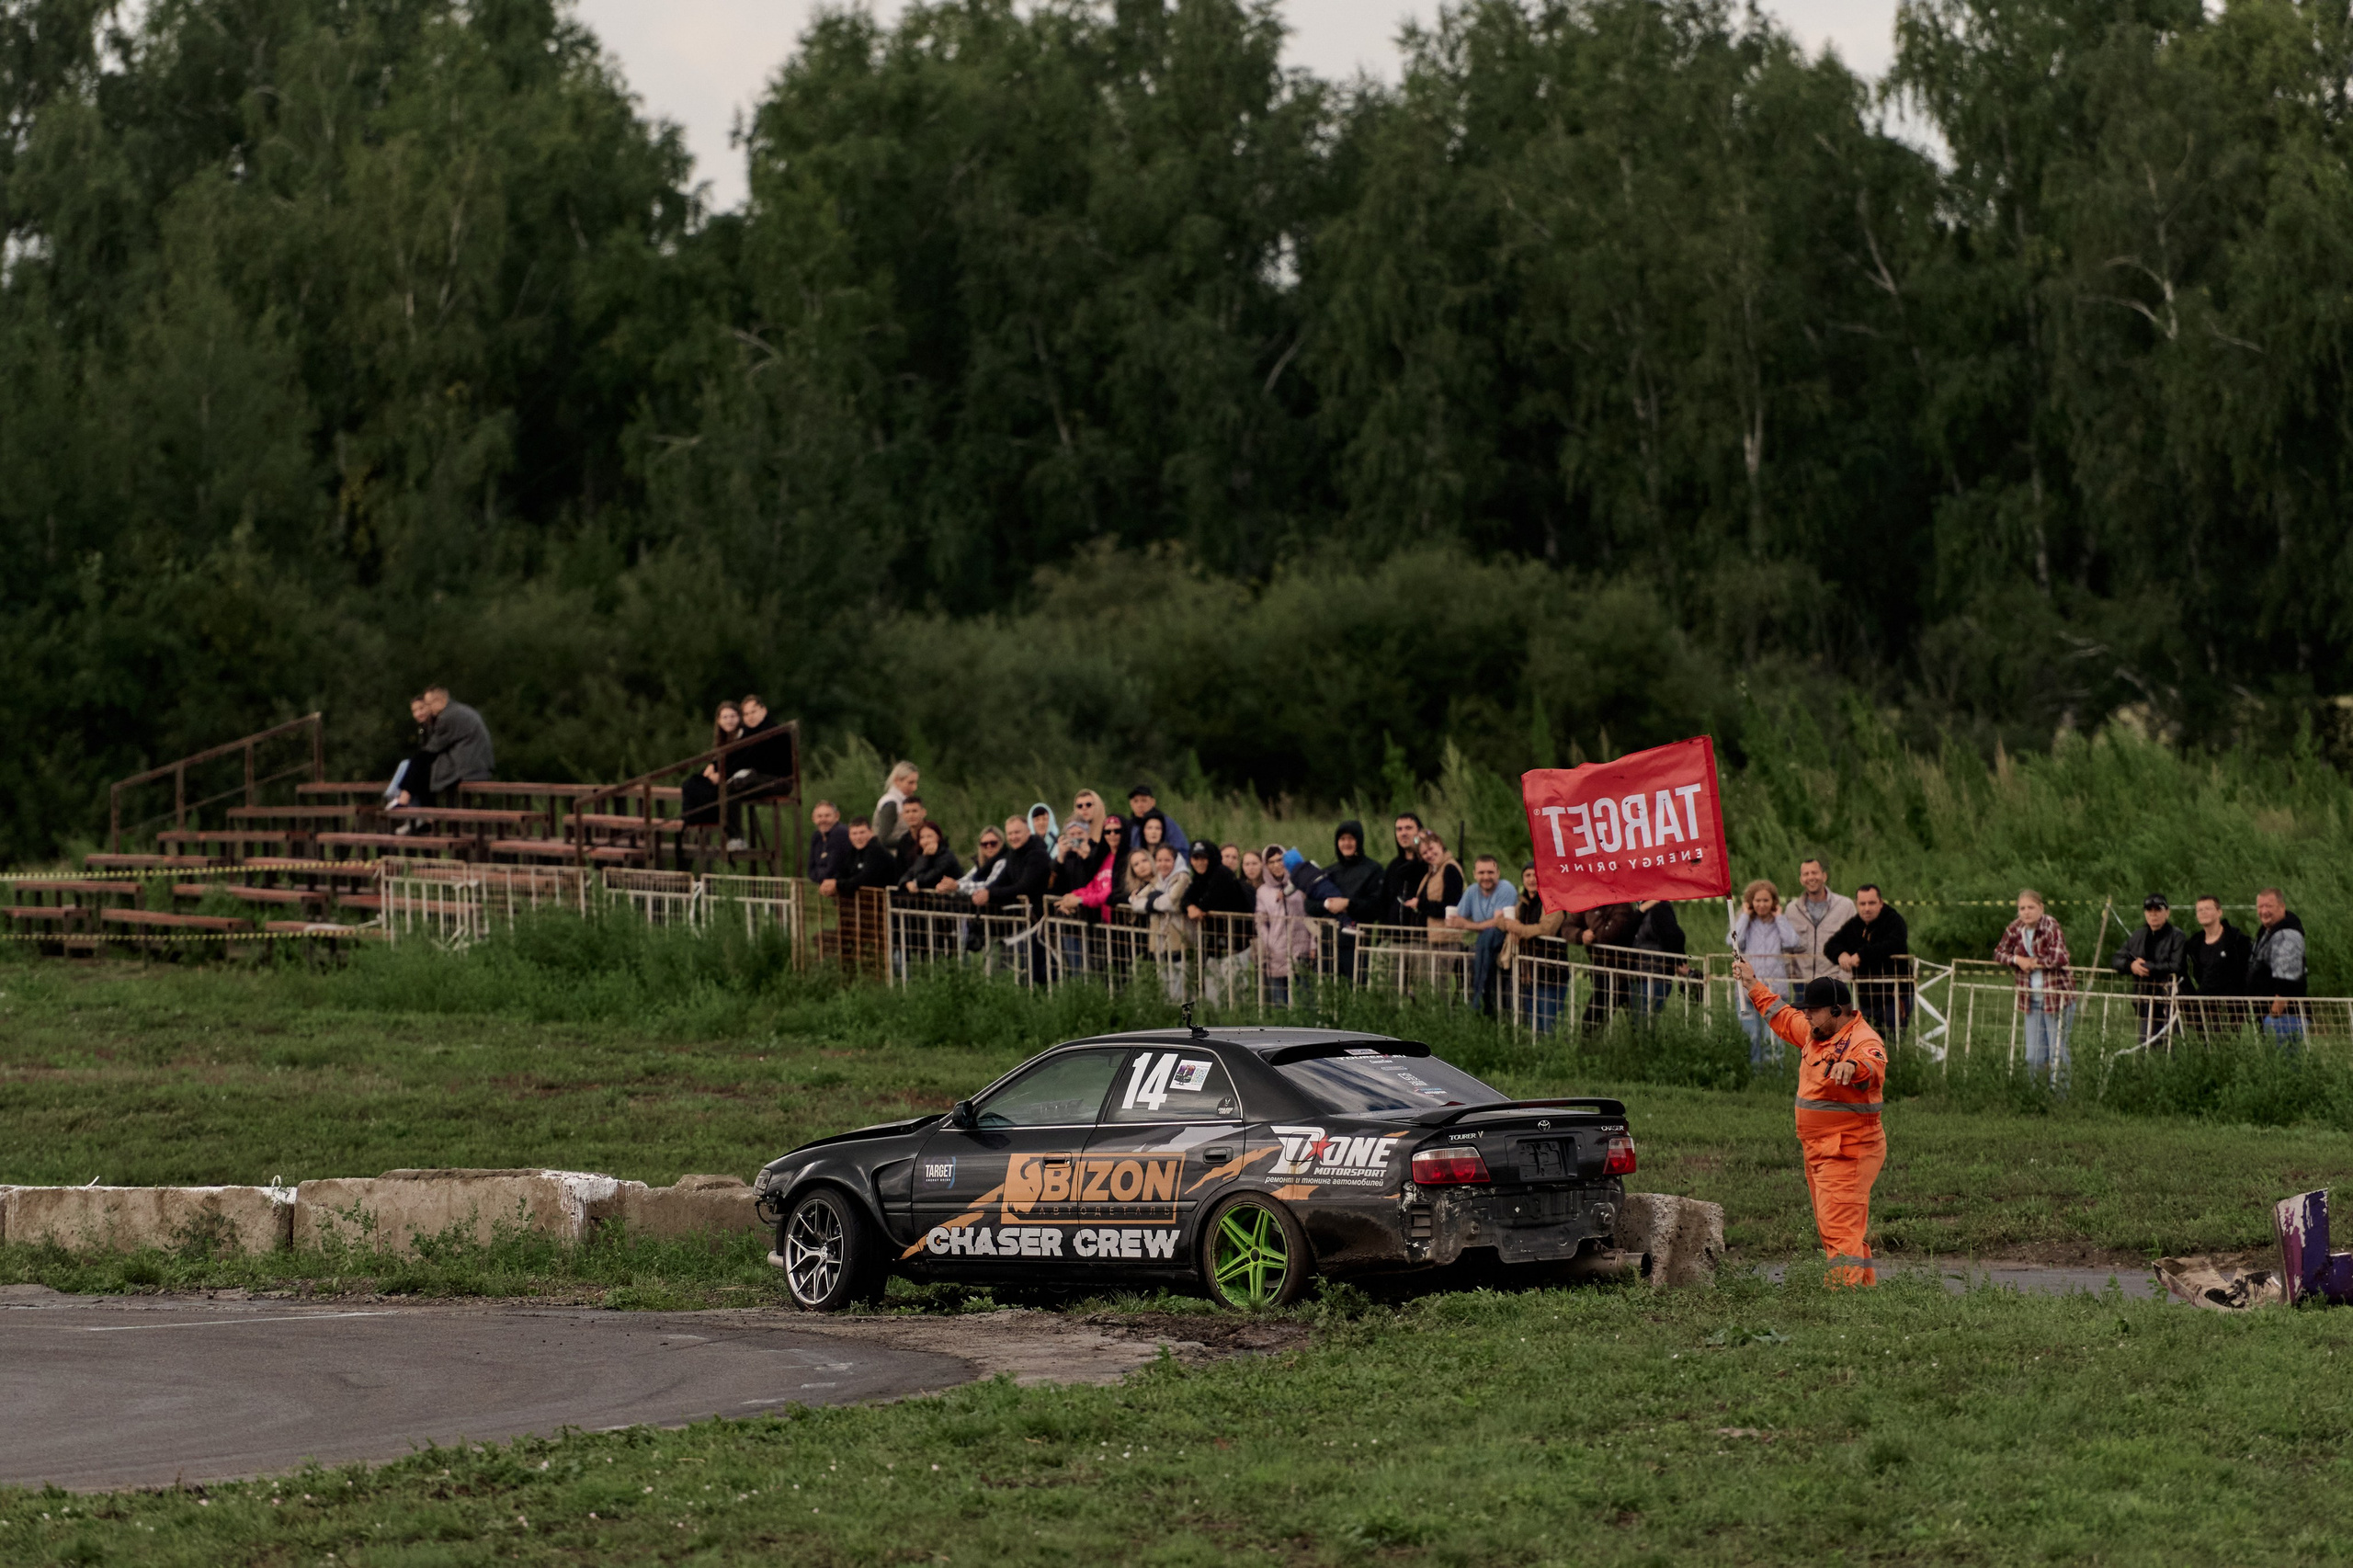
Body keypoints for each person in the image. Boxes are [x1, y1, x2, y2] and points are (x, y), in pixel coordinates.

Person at [1730, 963, 1889, 1289]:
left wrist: (1852, 1067)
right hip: (1820, 1148)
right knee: (1838, 1226)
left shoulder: (1862, 1039)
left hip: (1848, 1149)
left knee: (1838, 1227)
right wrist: (1751, 984)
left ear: (1835, 1010)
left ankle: (1842, 1297)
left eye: (1813, 1012)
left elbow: (1874, 1065)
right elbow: (1782, 1015)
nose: (1807, 1018)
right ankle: (1865, 1290)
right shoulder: (1816, 1032)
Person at [1993, 889, 2075, 1087]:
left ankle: (2060, 1098)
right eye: (2022, 908)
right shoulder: (2015, 928)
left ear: (2041, 908)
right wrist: (2017, 959)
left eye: (2031, 907)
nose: (2026, 912)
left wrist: (2034, 962)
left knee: (2058, 1052)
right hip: (2031, 999)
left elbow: (2059, 957)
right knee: (2033, 1055)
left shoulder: (2050, 925)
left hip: (2056, 997)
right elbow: (1998, 953)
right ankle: (2035, 1095)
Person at [1729, 881, 1804, 1063]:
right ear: (1750, 902)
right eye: (1757, 901)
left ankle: (1774, 1076)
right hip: (1747, 992)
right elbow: (1732, 941)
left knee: (1774, 1039)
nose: (1761, 905)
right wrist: (1745, 915)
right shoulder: (1745, 922)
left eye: (1766, 900)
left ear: (1774, 902)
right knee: (1751, 1038)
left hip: (1775, 991)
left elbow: (1792, 942)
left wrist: (1779, 918)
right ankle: (1755, 1076)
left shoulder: (1780, 923)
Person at [1824, 886, 1912, 1036]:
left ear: (1881, 903)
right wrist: (1841, 954)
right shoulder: (1855, 924)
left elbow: (1894, 943)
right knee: (1866, 1041)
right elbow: (1831, 945)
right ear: (1857, 904)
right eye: (1862, 904)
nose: (1867, 908)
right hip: (1865, 996)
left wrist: (1862, 955)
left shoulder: (1894, 921)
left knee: (1892, 1040)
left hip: (1894, 994)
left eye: (1871, 903)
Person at [2109, 894, 2188, 1047]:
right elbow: (2116, 959)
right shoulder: (2138, 936)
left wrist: (2147, 968)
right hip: (2145, 998)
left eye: (2158, 910)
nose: (2153, 914)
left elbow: (2177, 965)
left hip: (2170, 999)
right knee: (2145, 1047)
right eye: (2149, 910)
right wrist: (2131, 966)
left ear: (2167, 912)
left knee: (2173, 1046)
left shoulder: (2177, 936)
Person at [1499, 868, 1570, 1034]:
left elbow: (1547, 929)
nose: (1532, 879)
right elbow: (1501, 921)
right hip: (1530, 973)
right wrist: (1509, 925)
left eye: (1536, 875)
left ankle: (1554, 1057)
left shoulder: (1553, 901)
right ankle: (1538, 1058)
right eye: (1527, 875)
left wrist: (1518, 929)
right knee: (1535, 1026)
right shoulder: (1523, 903)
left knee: (1550, 1025)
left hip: (1551, 972)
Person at [722, 694, 796, 850]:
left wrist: (728, 773)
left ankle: (736, 838)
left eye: (753, 712)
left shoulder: (772, 731)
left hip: (780, 781)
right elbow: (736, 756)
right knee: (730, 787)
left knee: (738, 782)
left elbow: (751, 759)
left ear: (763, 710)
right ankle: (734, 837)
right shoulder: (749, 733)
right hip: (758, 779)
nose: (750, 717)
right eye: (746, 714)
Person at [1447, 855, 1518, 1015]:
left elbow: (1498, 922)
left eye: (1490, 872)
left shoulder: (1505, 888)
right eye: (1481, 873)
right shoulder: (1472, 890)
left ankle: (1481, 1002)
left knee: (1490, 935)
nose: (1486, 877)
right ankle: (1480, 1003)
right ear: (1474, 874)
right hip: (1484, 946)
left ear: (1498, 873)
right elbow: (1458, 917)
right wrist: (1455, 921)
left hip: (1505, 943)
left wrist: (1468, 925)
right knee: (1482, 947)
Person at [1256, 842, 1316, 1007]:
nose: (1276, 865)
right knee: (1279, 1003)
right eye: (1271, 862)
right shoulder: (1263, 892)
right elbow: (1261, 922)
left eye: (1280, 860)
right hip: (1277, 952)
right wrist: (1269, 943)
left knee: (1305, 1000)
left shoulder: (1300, 886)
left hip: (1301, 950)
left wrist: (1313, 944)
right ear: (1266, 866)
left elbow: (1310, 916)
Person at [2185, 894, 2253, 1035]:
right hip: (2205, 1006)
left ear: (2219, 912)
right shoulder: (2195, 943)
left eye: (2208, 908)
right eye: (2199, 910)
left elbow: (2247, 969)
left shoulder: (2236, 939)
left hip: (2233, 1006)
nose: (2203, 912)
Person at [415, 686, 494, 805]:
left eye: (429, 705)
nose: (428, 709)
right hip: (481, 764)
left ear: (440, 701)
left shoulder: (447, 717)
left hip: (468, 768)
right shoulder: (459, 710)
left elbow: (432, 749)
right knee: (420, 767)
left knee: (421, 769)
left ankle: (424, 817)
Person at [1568, 901, 1642, 1029]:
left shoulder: (1622, 906)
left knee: (1637, 1022)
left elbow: (1605, 936)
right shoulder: (1590, 903)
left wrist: (1592, 912)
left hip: (1623, 975)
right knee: (1591, 1023)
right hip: (1602, 974)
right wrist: (1581, 935)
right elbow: (1568, 926)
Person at [1133, 843, 1193, 1000]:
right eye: (1159, 860)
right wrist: (1154, 902)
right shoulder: (1156, 881)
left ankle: (1185, 1020)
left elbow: (1172, 902)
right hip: (1159, 941)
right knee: (1164, 986)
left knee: (1181, 987)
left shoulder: (1183, 878)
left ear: (1175, 861)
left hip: (1179, 939)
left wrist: (1150, 902)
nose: (1162, 864)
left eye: (1167, 860)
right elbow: (1135, 902)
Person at [2249, 887, 2309, 1042]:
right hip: (2271, 1018)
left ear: (2282, 907)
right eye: (2260, 907)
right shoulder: (2269, 931)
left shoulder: (2287, 935)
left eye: (2268, 906)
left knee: (2284, 1065)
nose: (2263, 911)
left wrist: (2274, 1015)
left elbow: (2286, 981)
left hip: (2284, 1019)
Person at [1785, 858, 1857, 986]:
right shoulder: (1792, 910)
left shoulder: (1845, 906)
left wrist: (1843, 978)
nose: (1811, 877)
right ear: (1801, 880)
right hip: (1803, 984)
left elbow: (1854, 942)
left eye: (1814, 872)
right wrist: (1791, 974)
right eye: (1806, 874)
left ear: (1824, 876)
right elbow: (1786, 946)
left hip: (1834, 982)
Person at [679, 701, 744, 826]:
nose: (729, 720)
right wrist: (712, 766)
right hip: (721, 774)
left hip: (734, 777)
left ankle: (699, 819)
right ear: (719, 721)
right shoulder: (723, 739)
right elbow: (717, 760)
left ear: (739, 718)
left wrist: (721, 774)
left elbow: (739, 760)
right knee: (691, 783)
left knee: (695, 786)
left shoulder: (742, 736)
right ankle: (690, 819)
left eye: (733, 716)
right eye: (725, 717)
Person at [1631, 898, 1688, 1017]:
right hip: (1641, 974)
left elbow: (1675, 936)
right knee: (1640, 1021)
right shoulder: (1643, 906)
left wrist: (1678, 962)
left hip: (1654, 974)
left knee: (1645, 1020)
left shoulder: (1659, 908)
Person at [384, 696, 438, 812]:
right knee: (408, 766)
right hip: (425, 768)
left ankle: (394, 794)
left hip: (436, 767)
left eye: (421, 708)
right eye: (414, 711)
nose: (418, 713)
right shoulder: (423, 728)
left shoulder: (436, 725)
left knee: (407, 765)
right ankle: (396, 796)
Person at [1404, 831, 1464, 932]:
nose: (1429, 854)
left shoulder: (1450, 869)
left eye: (1431, 849)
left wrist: (1420, 905)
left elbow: (1451, 907)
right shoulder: (1432, 872)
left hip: (1444, 940)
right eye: (1424, 853)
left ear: (1440, 845)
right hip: (1431, 938)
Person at [897, 819, 961, 895]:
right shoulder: (923, 855)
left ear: (938, 837)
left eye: (929, 836)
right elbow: (909, 873)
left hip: (949, 902)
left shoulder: (946, 857)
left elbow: (923, 880)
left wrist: (924, 857)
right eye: (922, 837)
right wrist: (907, 883)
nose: (925, 841)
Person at [1382, 813, 1426, 923]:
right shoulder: (1393, 866)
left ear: (1419, 832)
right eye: (1399, 829)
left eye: (1408, 828)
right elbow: (1385, 903)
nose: (1403, 833)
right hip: (1394, 936)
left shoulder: (1427, 864)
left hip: (1422, 935)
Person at [1124, 786, 1191, 855]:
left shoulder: (1166, 822)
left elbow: (1183, 850)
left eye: (1144, 800)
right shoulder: (1128, 825)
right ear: (1131, 804)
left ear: (1153, 802)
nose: (1139, 805)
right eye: (1135, 801)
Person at [871, 761, 921, 846]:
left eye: (915, 782)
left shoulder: (902, 802)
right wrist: (913, 842)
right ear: (897, 781)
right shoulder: (891, 804)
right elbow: (882, 839)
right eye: (910, 783)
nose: (914, 788)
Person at [807, 801, 851, 893]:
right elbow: (810, 868)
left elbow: (834, 867)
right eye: (819, 816)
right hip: (832, 887)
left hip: (849, 887)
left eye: (827, 816)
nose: (823, 820)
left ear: (837, 816)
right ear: (813, 818)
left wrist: (821, 876)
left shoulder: (840, 833)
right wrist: (820, 878)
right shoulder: (817, 836)